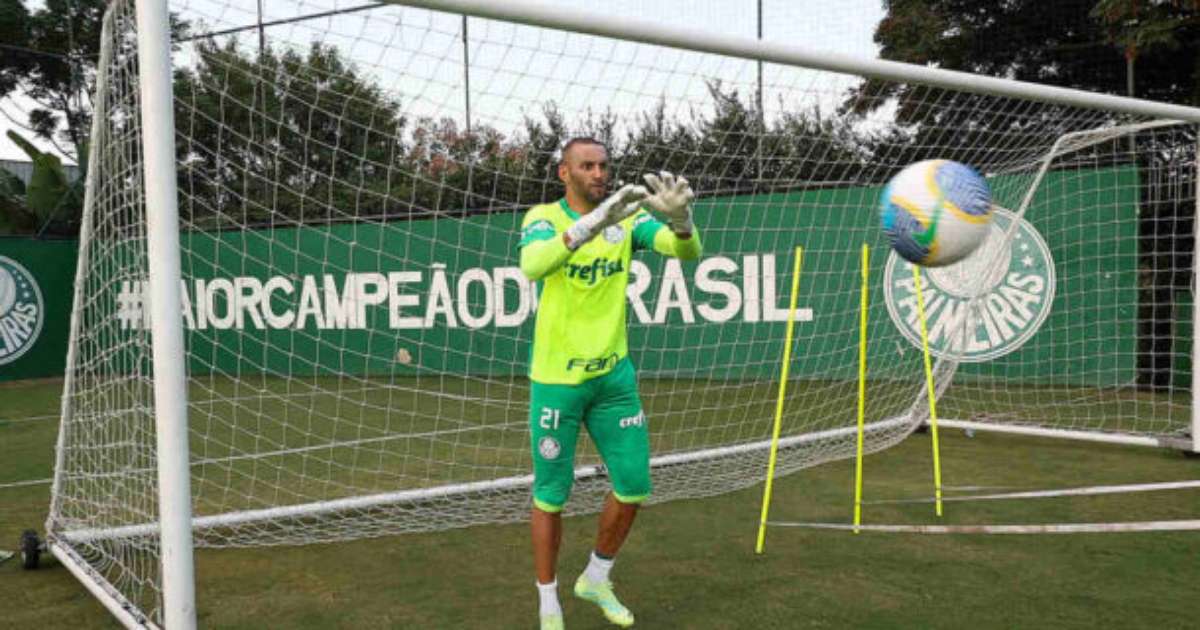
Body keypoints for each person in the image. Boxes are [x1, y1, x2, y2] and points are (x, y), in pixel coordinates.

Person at [517, 137, 702, 630]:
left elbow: (686, 252)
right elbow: (533, 265)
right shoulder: (543, 218)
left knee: (634, 483)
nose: (599, 173)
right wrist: (593, 223)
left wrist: (681, 222)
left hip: (613, 377)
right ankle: (548, 602)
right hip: (557, 380)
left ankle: (596, 577)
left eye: (603, 165)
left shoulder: (628, 219)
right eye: (587, 166)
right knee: (551, 495)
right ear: (565, 173)